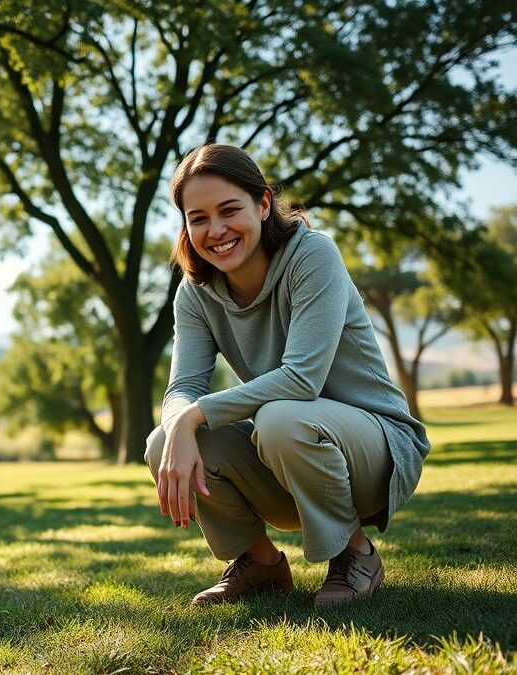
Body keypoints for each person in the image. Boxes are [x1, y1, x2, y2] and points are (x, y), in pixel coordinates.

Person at [145, 143, 430, 607]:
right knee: (164, 440)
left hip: (376, 449)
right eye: (197, 218)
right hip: (289, 451)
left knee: (279, 417)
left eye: (229, 210)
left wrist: (193, 415)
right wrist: (180, 421)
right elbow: (183, 388)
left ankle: (356, 554)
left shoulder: (312, 256)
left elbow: (302, 380)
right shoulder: (195, 292)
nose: (215, 230)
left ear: (262, 204)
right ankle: (260, 563)